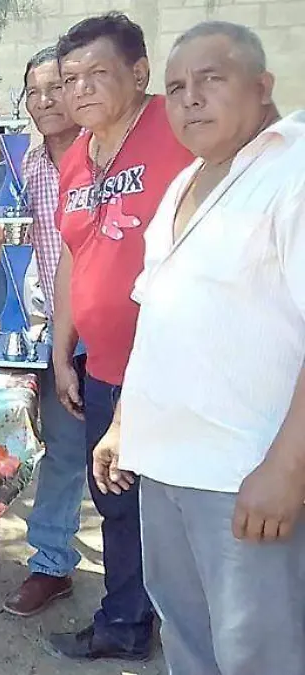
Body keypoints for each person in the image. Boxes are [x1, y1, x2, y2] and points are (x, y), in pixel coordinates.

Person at [93, 22, 305, 675]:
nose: (190, 98)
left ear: (262, 86)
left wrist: (287, 469)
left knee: (258, 654)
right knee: (188, 640)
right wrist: (124, 423)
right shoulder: (186, 182)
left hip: (243, 477)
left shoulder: (292, 173)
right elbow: (159, 316)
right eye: (178, 86)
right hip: (164, 467)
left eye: (211, 79)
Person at [46, 12, 195, 660]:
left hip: (177, 368)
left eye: (96, 73)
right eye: (69, 78)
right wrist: (62, 351)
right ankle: (126, 624)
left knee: (184, 509)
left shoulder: (178, 128)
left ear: (138, 73)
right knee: (115, 501)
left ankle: (197, 636)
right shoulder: (76, 159)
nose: (78, 89)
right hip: (105, 368)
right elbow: (72, 258)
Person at [1, 46, 87, 617]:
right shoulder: (26, 168)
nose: (45, 100)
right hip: (58, 330)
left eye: (56, 87)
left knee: (132, 454)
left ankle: (143, 580)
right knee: (63, 449)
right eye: (33, 92)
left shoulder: (106, 159)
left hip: (118, 326)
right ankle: (51, 564)